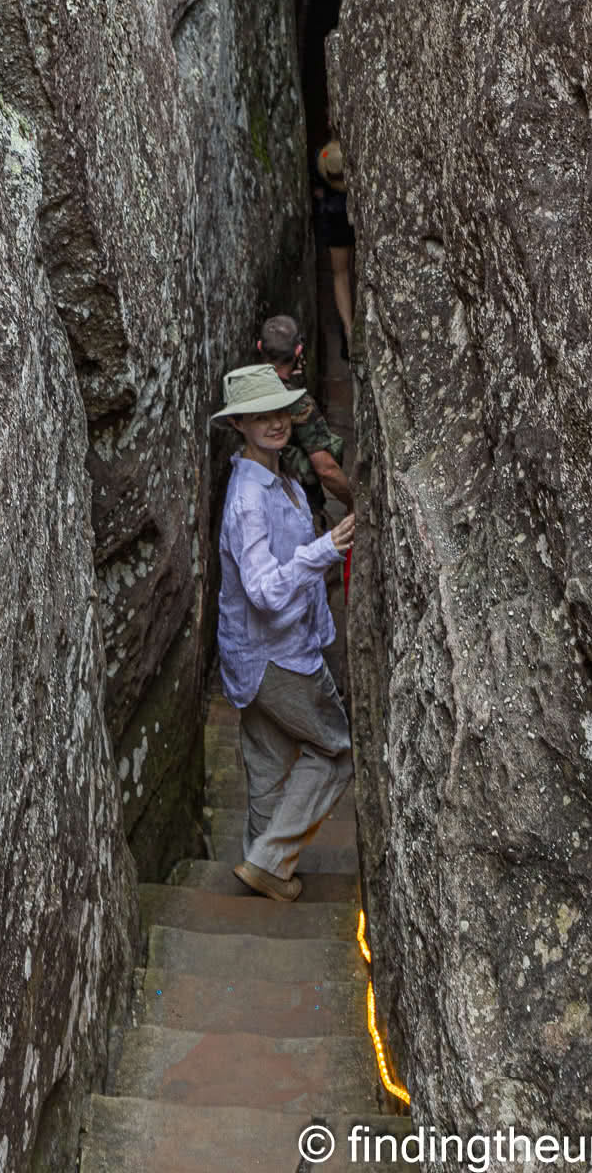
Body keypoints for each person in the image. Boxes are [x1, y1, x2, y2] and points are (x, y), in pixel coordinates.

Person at [212, 363, 355, 902]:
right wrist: (327, 549)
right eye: (260, 416)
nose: (275, 423)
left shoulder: (278, 476)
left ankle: (262, 878)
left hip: (257, 652)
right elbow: (265, 592)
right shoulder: (249, 499)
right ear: (238, 424)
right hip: (276, 656)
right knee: (336, 751)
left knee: (269, 767)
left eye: (280, 412)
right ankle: (271, 861)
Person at [256, 313, 353, 516]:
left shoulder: (246, 392)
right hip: (296, 504)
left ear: (259, 347)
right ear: (298, 350)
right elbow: (326, 469)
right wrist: (354, 503)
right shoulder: (299, 403)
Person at [314, 139, 354, 352]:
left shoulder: (322, 159)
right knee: (351, 271)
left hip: (334, 217)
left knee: (340, 274)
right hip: (344, 216)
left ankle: (348, 328)